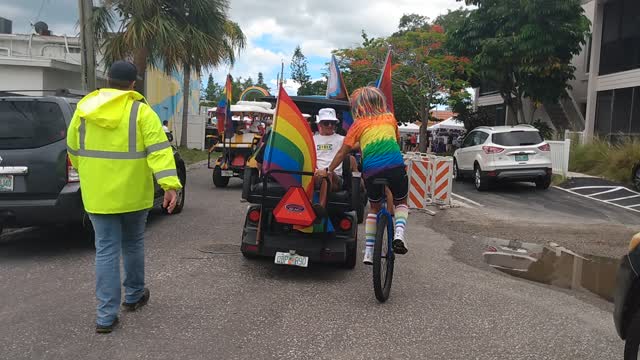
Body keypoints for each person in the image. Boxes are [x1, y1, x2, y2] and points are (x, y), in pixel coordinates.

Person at [67, 60, 182, 334]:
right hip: (133, 194)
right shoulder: (141, 112)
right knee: (132, 244)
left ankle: (105, 317)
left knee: (105, 250)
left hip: (98, 195)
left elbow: (72, 149)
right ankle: (133, 296)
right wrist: (169, 186)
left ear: (107, 80)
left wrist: (92, 175)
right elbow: (159, 151)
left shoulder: (84, 110)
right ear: (133, 83)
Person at [315, 86, 409, 265]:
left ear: (358, 105)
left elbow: (343, 152)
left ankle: (368, 251)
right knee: (401, 202)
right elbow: (396, 142)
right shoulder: (390, 118)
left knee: (373, 208)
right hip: (395, 166)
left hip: (372, 170)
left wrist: (328, 170)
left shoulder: (358, 125)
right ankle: (399, 234)